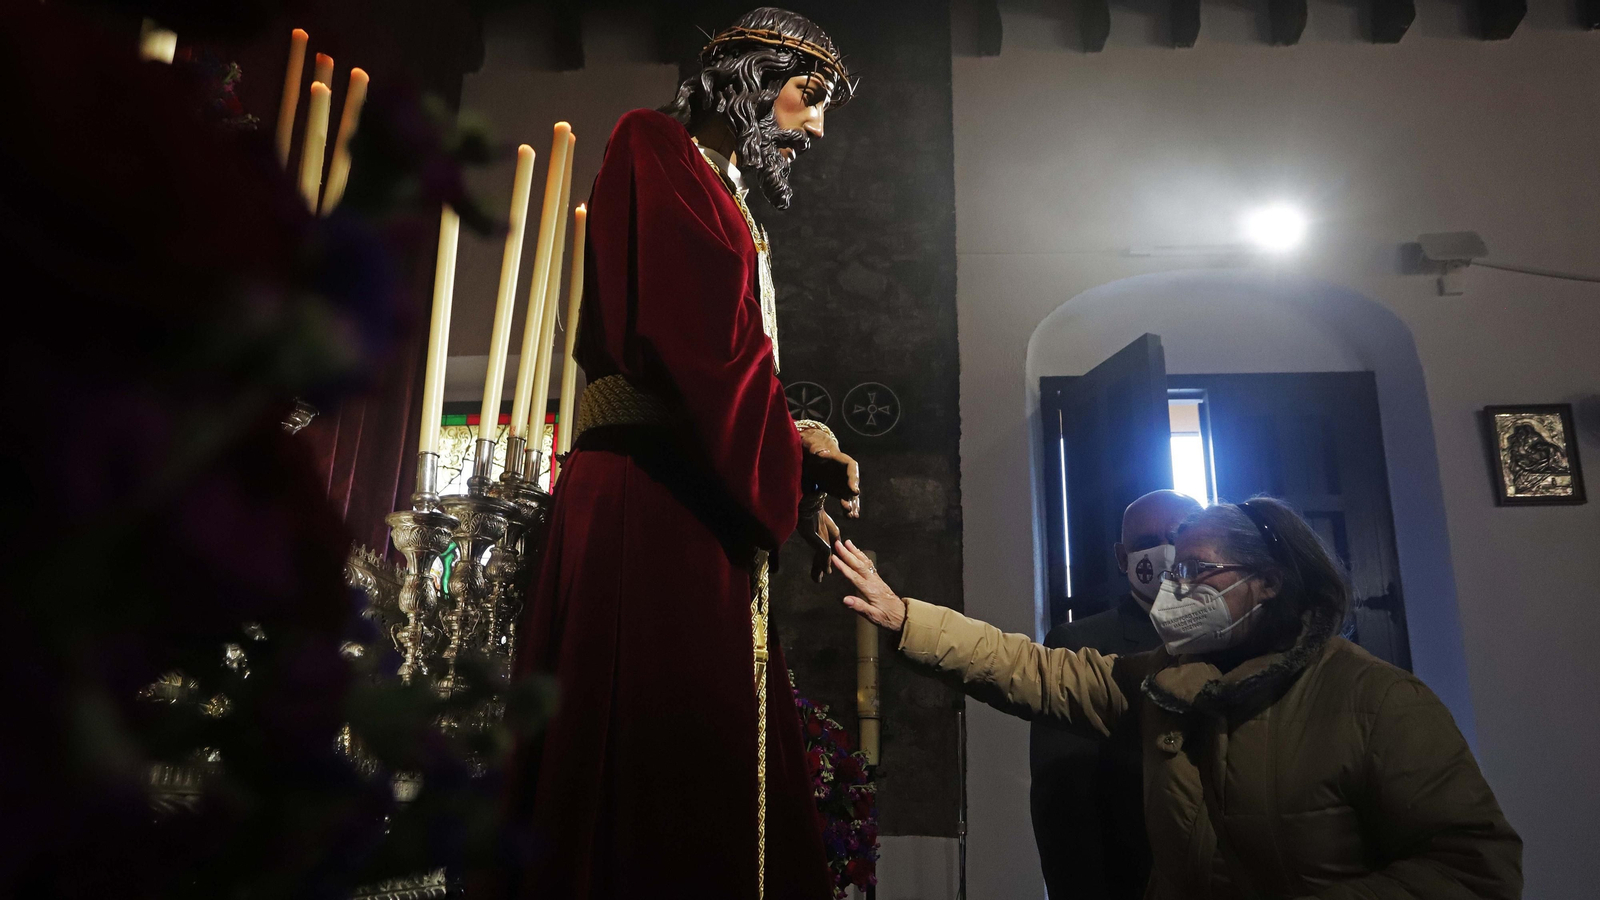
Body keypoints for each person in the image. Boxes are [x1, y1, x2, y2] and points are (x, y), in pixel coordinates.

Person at [509, 9, 859, 899]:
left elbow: (728, 363)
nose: (817, 126)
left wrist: (789, 450)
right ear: (750, 76)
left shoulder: (725, 190)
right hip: (649, 495)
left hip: (693, 485)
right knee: (654, 759)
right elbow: (699, 344)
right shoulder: (655, 146)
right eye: (809, 94)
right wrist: (788, 456)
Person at [833, 498, 1522, 899]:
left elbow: (1473, 868)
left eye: (1196, 570)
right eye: (1171, 572)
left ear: (1269, 582)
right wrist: (907, 619)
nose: (1174, 590)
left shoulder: (1377, 701)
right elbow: (1036, 671)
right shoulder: (1165, 679)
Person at [1031, 490, 1200, 900]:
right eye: (1147, 543)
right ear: (1122, 558)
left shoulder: (1238, 636)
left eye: (1178, 537)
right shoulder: (1081, 643)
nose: (1165, 552)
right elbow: (1064, 805)